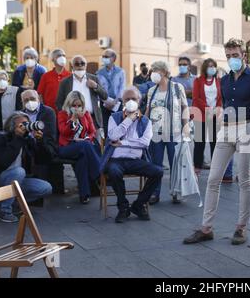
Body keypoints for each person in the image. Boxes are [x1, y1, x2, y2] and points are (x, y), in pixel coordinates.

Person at [183, 38, 250, 246]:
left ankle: (241, 227)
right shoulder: (226, 80)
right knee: (213, 179)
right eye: (228, 56)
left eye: (235, 55)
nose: (232, 59)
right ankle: (206, 228)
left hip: (247, 128)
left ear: (244, 56)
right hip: (226, 130)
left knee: (244, 179)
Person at [102, 87, 163, 223]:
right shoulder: (114, 117)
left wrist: (123, 143)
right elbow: (112, 136)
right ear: (123, 102)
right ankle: (123, 207)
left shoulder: (145, 121)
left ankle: (138, 204)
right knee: (114, 171)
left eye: (133, 99)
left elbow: (145, 143)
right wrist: (128, 120)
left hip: (135, 160)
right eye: (127, 99)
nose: (130, 101)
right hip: (116, 160)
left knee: (158, 172)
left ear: (139, 101)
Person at [0, 111, 52, 223]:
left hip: (17, 181)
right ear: (12, 126)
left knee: (45, 187)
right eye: (22, 124)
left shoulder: (26, 140)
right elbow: (4, 162)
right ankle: (4, 211)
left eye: (27, 124)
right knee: (19, 171)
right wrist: (18, 138)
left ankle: (11, 203)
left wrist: (40, 141)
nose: (25, 127)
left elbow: (44, 160)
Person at [145, 61, 189, 205]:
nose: (152, 73)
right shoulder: (152, 90)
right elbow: (147, 110)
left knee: (175, 163)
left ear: (163, 71)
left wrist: (186, 126)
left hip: (173, 131)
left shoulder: (177, 88)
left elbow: (184, 108)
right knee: (155, 164)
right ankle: (154, 193)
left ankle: (176, 192)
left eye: (155, 70)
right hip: (155, 133)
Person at [57, 91, 101, 204]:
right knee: (86, 146)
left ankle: (84, 194)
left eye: (79, 105)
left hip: (83, 146)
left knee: (82, 160)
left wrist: (85, 139)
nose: (76, 108)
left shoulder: (86, 114)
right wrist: (72, 119)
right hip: (67, 147)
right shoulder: (62, 114)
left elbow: (92, 132)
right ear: (68, 104)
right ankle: (99, 172)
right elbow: (63, 131)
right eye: (74, 105)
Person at [192, 58, 233, 178]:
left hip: (216, 116)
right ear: (205, 68)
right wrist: (209, 109)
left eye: (213, 66)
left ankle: (215, 169)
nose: (212, 68)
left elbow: (221, 97)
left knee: (215, 143)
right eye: (209, 66)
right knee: (199, 143)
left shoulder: (219, 81)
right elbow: (196, 98)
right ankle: (197, 169)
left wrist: (218, 108)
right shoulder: (198, 81)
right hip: (201, 115)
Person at [56, 55, 108, 130]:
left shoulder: (94, 79)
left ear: (86, 65)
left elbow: (105, 96)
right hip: (73, 119)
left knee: (95, 141)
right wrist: (67, 116)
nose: (80, 65)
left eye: (82, 63)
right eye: (77, 64)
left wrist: (96, 86)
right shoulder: (65, 82)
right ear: (72, 66)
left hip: (93, 119)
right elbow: (59, 102)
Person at [20, 90, 58, 181]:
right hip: (26, 145)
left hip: (44, 144)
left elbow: (50, 136)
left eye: (32, 99)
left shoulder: (48, 112)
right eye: (26, 100)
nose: (30, 102)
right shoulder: (20, 114)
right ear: (22, 102)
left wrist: (39, 138)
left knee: (41, 151)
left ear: (39, 99)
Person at [96, 49, 126, 135]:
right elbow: (99, 89)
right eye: (103, 57)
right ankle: (107, 145)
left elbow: (122, 88)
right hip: (104, 103)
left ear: (113, 58)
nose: (104, 58)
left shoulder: (120, 72)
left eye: (106, 56)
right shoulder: (99, 73)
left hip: (117, 103)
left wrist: (115, 101)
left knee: (117, 125)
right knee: (106, 127)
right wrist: (106, 101)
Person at [37, 48, 71, 112]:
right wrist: (43, 109)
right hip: (49, 112)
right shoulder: (46, 76)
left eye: (63, 56)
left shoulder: (70, 75)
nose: (62, 57)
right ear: (53, 59)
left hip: (66, 112)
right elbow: (40, 94)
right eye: (59, 56)